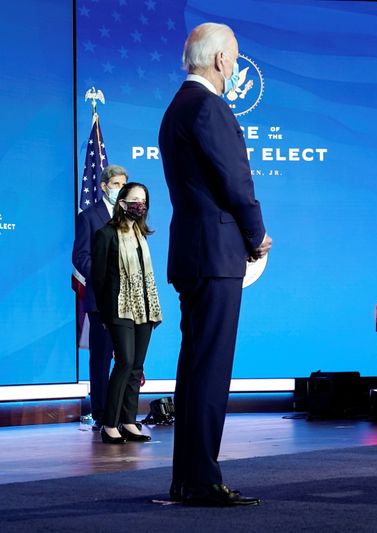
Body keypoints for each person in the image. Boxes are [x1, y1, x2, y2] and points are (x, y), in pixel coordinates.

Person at [159, 22, 271, 507]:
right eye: (236, 56)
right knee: (210, 369)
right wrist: (257, 235)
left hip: (194, 251)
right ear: (222, 60)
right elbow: (235, 181)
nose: (237, 64)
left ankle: (188, 478)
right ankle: (201, 481)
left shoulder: (177, 107)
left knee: (196, 367)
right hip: (216, 253)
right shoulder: (208, 106)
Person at [91, 182, 162, 444]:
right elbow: (98, 278)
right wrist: (102, 313)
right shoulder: (106, 234)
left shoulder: (141, 235)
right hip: (118, 308)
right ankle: (109, 424)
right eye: (134, 200)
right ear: (122, 203)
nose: (140, 205)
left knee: (137, 367)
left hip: (144, 308)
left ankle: (129, 421)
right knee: (124, 362)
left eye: (143, 201)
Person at [73, 165, 129, 429]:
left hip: (129, 299)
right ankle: (100, 412)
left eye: (124, 185)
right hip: (101, 300)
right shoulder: (89, 217)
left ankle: (123, 413)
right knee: (102, 357)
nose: (120, 190)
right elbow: (80, 257)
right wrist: (105, 274)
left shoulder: (130, 216)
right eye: (116, 184)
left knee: (128, 357)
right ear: (105, 186)